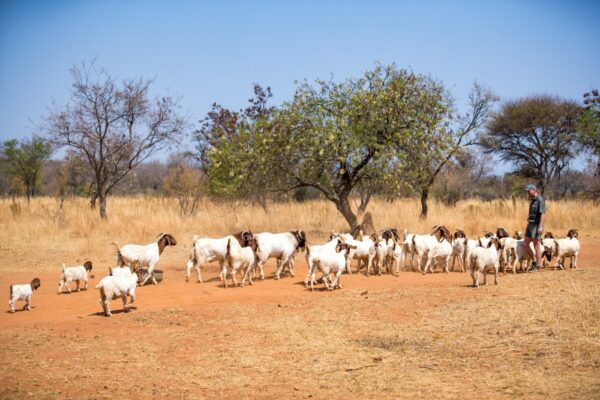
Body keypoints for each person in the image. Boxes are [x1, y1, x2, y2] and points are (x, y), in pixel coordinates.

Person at [523, 184, 546, 271]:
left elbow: (543, 214)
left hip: (536, 225)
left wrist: (540, 227)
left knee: (536, 245)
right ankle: (535, 260)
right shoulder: (532, 200)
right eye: (527, 191)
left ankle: (538, 265)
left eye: (529, 191)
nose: (528, 192)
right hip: (530, 224)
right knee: (525, 244)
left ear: (534, 190)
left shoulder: (540, 200)